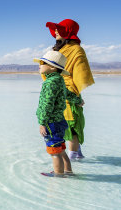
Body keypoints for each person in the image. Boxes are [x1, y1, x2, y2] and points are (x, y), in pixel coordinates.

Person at [45, 19, 95, 160]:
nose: (55, 31)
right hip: (58, 92)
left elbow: (80, 73)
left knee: (71, 126)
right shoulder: (58, 49)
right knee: (64, 125)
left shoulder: (76, 50)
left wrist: (75, 95)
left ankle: (71, 161)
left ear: (68, 31)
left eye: (59, 29)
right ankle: (77, 155)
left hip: (69, 92)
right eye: (55, 29)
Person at [34, 51, 73, 177]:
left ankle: (58, 175)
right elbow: (68, 93)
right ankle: (68, 171)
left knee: (54, 152)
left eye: (42, 63)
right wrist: (78, 100)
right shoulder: (59, 80)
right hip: (60, 121)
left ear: (52, 67)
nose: (39, 65)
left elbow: (47, 105)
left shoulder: (49, 83)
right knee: (61, 149)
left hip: (51, 123)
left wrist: (42, 123)